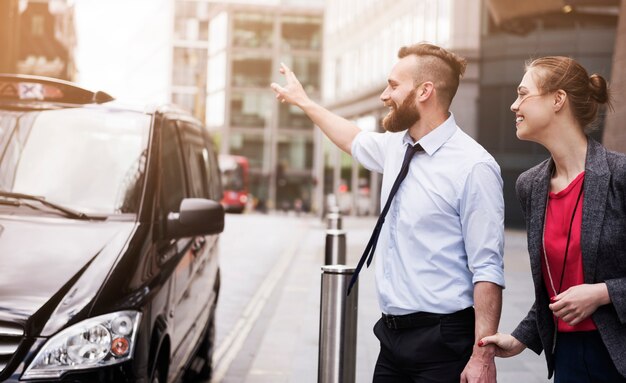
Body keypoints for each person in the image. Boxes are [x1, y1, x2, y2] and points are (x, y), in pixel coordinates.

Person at [272, 43, 505, 382]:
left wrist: (482, 356)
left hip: (444, 342)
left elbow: (487, 267)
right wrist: (305, 102)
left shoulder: (474, 167)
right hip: (392, 338)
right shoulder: (397, 147)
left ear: (425, 91)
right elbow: (352, 138)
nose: (384, 95)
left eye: (394, 85)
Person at [478, 56, 626, 382]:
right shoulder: (531, 186)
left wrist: (602, 293)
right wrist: (520, 338)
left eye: (523, 94)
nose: (514, 105)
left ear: (558, 99)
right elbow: (554, 287)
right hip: (568, 358)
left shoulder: (620, 176)